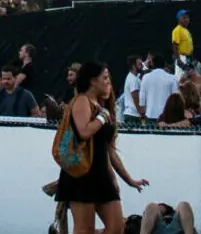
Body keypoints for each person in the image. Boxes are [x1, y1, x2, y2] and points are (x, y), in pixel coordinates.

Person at [58, 62, 143, 234]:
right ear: (92, 81)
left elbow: (109, 151)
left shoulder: (102, 106)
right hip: (82, 174)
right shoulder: (82, 101)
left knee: (117, 227)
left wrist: (128, 180)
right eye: (104, 78)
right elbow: (84, 132)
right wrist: (102, 117)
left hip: (101, 174)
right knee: (84, 228)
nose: (108, 82)